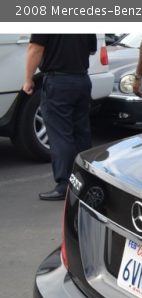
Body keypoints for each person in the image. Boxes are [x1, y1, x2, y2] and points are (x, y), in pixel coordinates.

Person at [23, 34, 96, 201]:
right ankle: (85, 181)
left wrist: (28, 79)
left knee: (60, 135)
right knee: (81, 133)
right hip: (82, 79)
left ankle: (65, 184)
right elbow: (92, 50)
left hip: (58, 81)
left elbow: (35, 49)